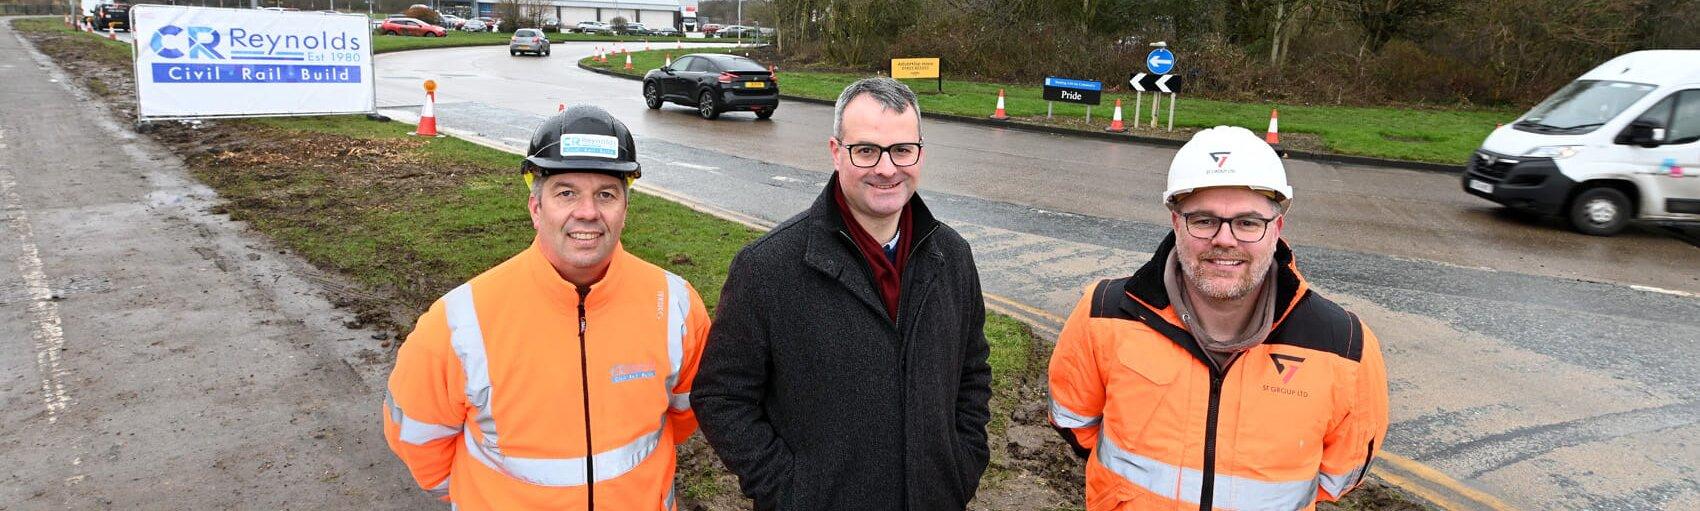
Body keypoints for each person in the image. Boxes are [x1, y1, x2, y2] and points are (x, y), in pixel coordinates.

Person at [382, 105, 711, 510]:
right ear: (536, 209)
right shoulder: (459, 322)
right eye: (566, 192)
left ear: (625, 209)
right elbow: (420, 443)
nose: (587, 212)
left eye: (605, 194)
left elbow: (685, 415)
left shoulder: (676, 306)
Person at [1046, 126, 1389, 510]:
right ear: (1176, 223)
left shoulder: (1345, 345)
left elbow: (1342, 473)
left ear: (1277, 228)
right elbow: (1075, 423)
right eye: (1205, 220)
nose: (1225, 239)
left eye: (1247, 222)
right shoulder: (1104, 312)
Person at [692, 77, 992, 511]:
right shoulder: (767, 267)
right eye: (866, 150)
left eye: (902, 150)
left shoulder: (953, 257)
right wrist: (792, 492)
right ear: (836, 152)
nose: (887, 169)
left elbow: (972, 373)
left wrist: (961, 467)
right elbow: (721, 396)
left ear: (920, 153)